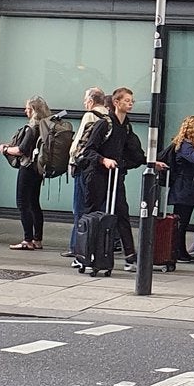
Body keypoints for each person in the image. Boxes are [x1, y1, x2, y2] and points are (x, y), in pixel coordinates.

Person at [77, 87, 146, 264]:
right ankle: (83, 252)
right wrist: (103, 160)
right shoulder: (104, 123)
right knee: (91, 213)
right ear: (116, 102)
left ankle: (130, 255)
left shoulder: (127, 127)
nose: (130, 103)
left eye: (132, 101)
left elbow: (135, 153)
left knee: (122, 212)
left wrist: (151, 162)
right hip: (97, 174)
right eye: (126, 100)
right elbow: (88, 151)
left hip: (116, 175)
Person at [0, 96, 58, 249]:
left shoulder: (32, 127)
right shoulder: (47, 126)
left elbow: (21, 150)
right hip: (39, 169)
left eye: (27, 108)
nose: (25, 111)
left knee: (23, 203)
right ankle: (37, 240)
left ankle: (27, 240)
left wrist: (5, 149)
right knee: (34, 203)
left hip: (27, 168)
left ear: (33, 110)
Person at [162, 114, 194, 261]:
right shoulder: (186, 145)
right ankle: (178, 251)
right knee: (181, 222)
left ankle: (179, 250)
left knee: (182, 221)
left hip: (184, 187)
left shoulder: (183, 144)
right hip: (183, 188)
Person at [68, 87, 111, 221]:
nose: (84, 103)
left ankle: (78, 241)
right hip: (100, 168)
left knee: (80, 210)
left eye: (86, 100)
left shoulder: (90, 115)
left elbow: (79, 144)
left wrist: (72, 159)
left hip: (84, 167)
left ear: (91, 101)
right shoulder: (110, 116)